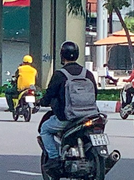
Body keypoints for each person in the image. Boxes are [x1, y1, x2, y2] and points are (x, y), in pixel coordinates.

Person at [39, 41, 99, 171]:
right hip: (91, 115)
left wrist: (41, 102)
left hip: (68, 118)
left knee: (45, 129)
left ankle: (54, 158)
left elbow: (49, 95)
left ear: (62, 55)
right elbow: (95, 92)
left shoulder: (60, 75)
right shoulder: (87, 73)